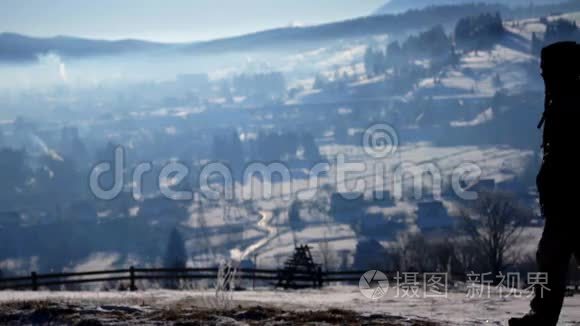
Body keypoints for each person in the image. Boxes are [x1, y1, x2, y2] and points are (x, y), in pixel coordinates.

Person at [510, 41, 580, 326]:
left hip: (571, 197)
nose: (542, 75)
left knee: (551, 257)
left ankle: (542, 317)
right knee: (550, 257)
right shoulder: (563, 97)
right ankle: (541, 316)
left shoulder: (569, 101)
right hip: (565, 196)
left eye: (545, 70)